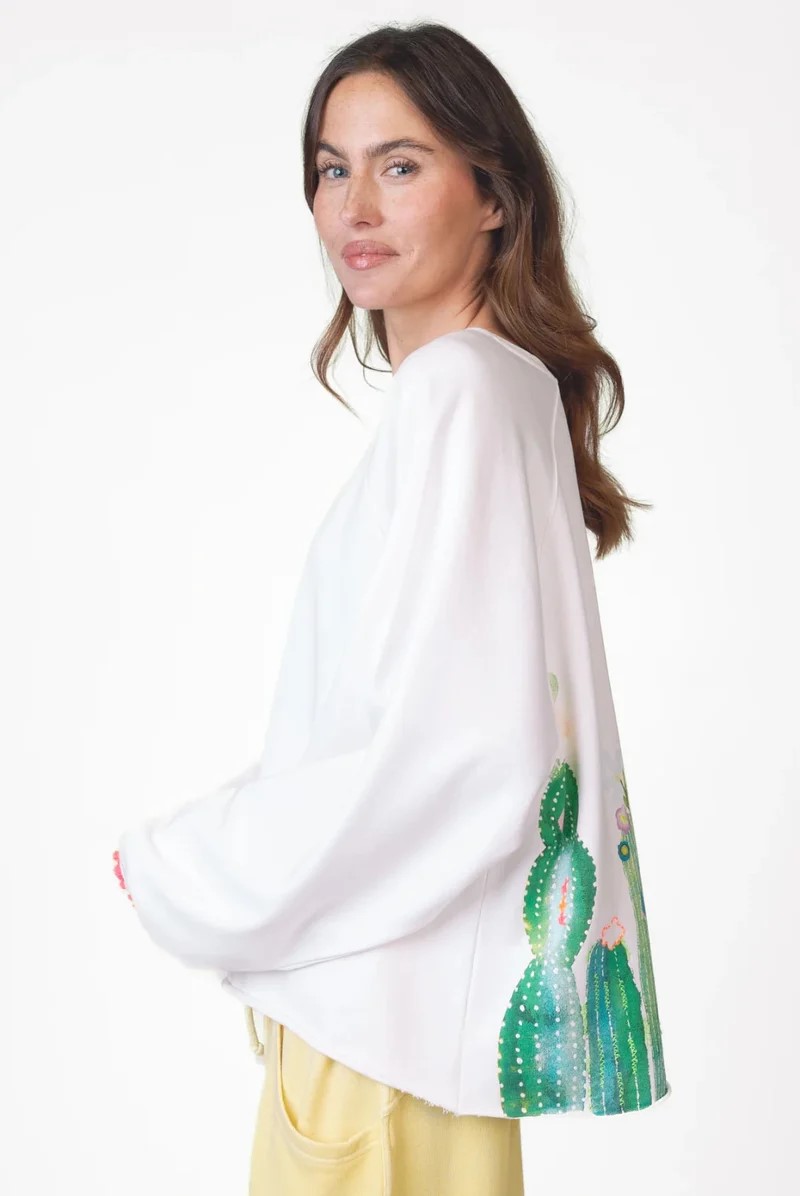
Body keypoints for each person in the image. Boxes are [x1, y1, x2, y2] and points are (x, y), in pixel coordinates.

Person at [113, 20, 672, 1195]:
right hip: (421, 1050)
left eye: (400, 164)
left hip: (375, 1052)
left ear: (494, 198)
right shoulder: (508, 389)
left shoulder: (459, 390)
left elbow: (461, 757)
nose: (354, 207)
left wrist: (183, 865)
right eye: (332, 168)